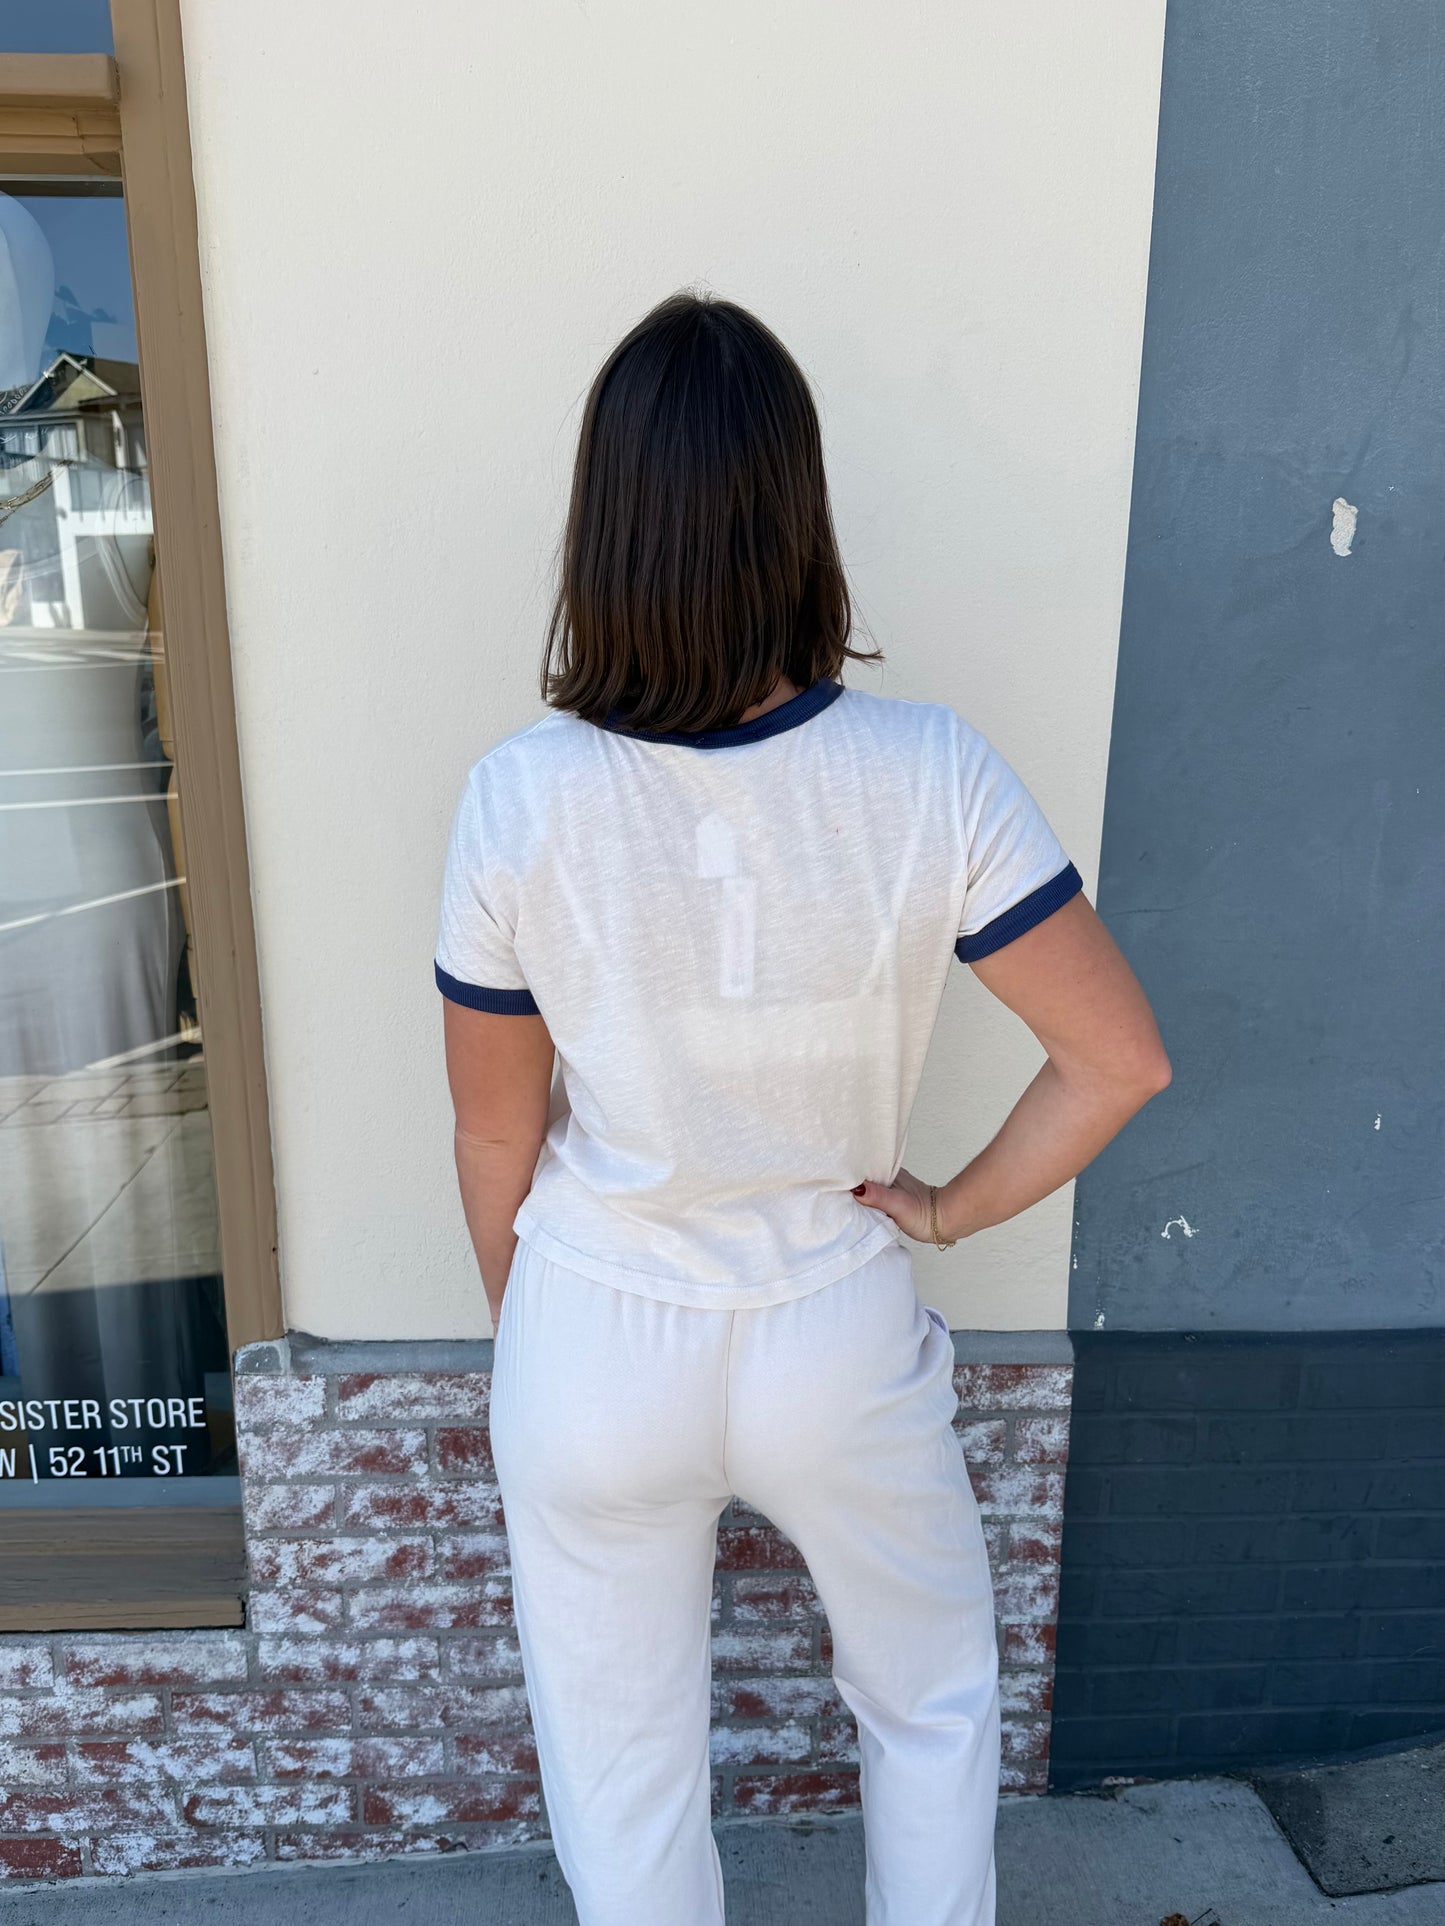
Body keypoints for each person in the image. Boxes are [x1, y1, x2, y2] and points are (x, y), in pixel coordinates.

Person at [436, 292, 1170, 1926]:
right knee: (926, 1703)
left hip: (598, 1318)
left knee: (621, 1778)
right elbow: (1118, 1059)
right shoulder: (930, 771)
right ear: (797, 515)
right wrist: (949, 1209)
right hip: (831, 1313)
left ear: (602, 528)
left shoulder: (517, 797)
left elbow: (497, 1132)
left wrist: (544, 1333)